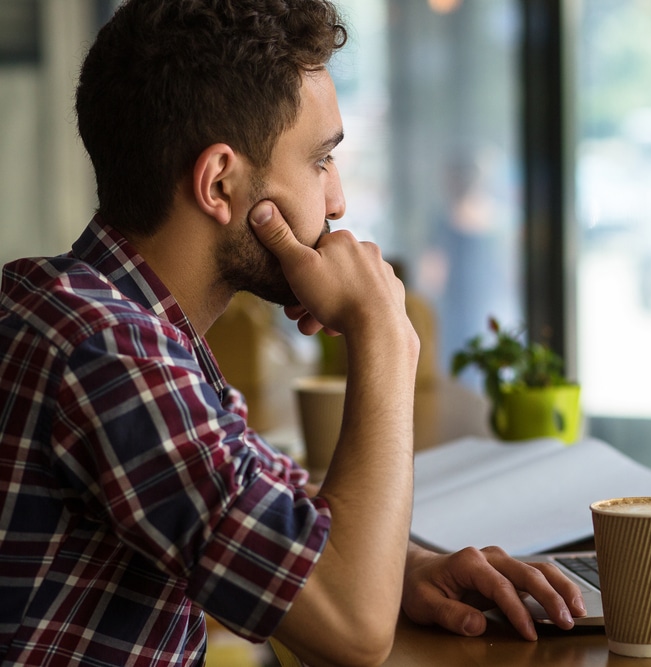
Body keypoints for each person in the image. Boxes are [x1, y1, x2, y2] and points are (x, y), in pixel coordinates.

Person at [0, 1, 585, 666]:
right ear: (220, 182)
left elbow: (266, 500)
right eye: (320, 161)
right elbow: (353, 632)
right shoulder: (108, 352)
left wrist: (407, 566)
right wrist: (384, 338)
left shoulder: (100, 315)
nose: (337, 201)